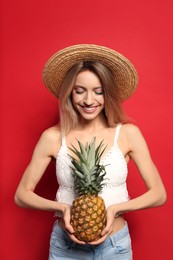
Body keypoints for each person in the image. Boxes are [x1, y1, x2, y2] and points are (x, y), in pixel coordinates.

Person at [14, 44, 167, 260]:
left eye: (99, 92)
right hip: (65, 249)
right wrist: (63, 208)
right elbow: (22, 195)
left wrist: (114, 209)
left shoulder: (127, 134)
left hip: (116, 247)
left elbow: (159, 194)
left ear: (108, 94)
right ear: (70, 92)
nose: (88, 100)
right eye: (79, 91)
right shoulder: (53, 137)